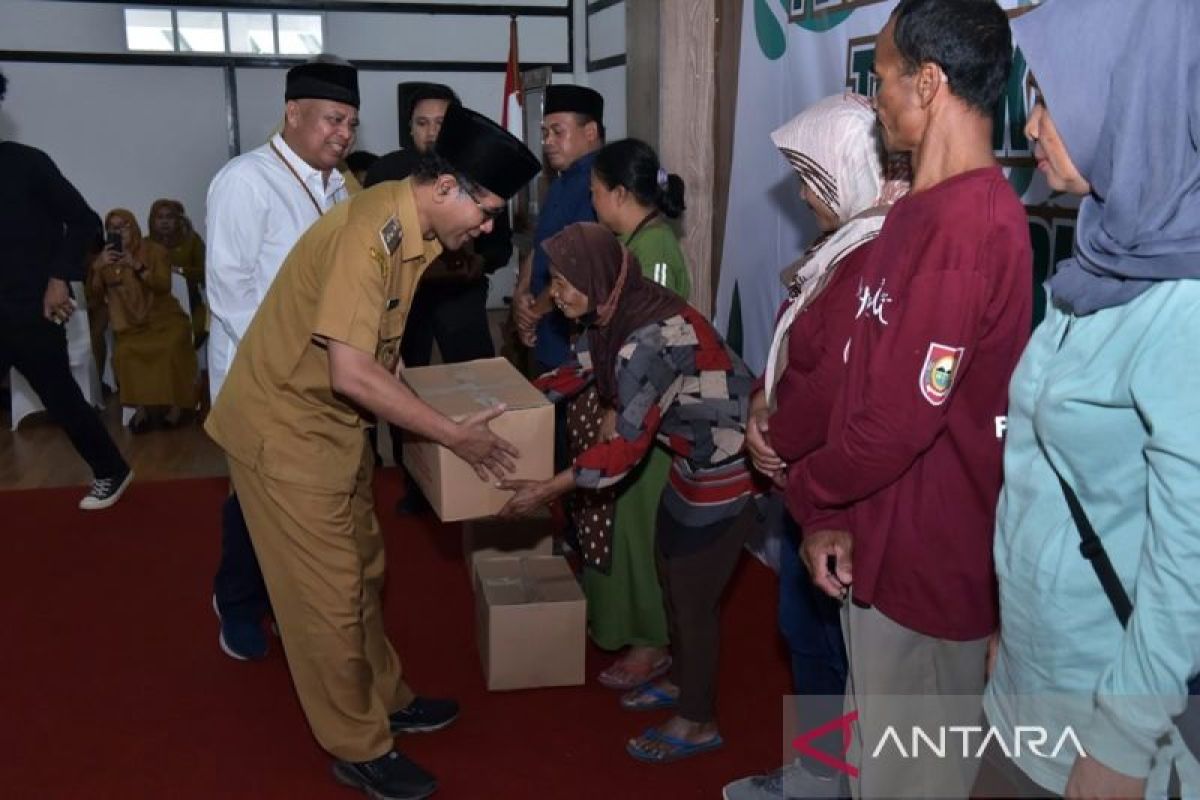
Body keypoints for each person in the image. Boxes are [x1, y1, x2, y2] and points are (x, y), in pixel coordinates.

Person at [204, 102, 541, 800]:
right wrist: (453, 437)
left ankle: (386, 696)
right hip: (285, 432)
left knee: (364, 568)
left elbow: (375, 354)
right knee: (323, 597)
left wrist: (436, 409)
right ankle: (358, 744)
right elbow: (350, 372)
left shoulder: (406, 227)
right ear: (446, 187)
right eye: (484, 213)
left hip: (333, 427)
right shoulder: (372, 235)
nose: (484, 230)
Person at [788, 2, 1032, 797]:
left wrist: (807, 489)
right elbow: (868, 386)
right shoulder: (912, 215)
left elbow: (900, 420)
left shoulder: (971, 228)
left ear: (929, 84)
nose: (875, 98)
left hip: (932, 574)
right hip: (882, 549)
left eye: (883, 78)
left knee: (911, 781)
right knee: (873, 772)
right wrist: (840, 516)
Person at [975, 2, 1200, 798]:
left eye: (1049, 101)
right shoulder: (1099, 258)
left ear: (1131, 104)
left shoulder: (1182, 307)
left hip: (1104, 727)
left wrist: (1123, 742)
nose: (1031, 126)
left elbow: (1187, 560)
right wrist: (1007, 626)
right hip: (1030, 681)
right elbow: (1041, 477)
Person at [498, 222, 759, 764]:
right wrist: (514, 399)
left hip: (727, 456)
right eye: (556, 281)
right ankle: (682, 679)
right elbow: (581, 370)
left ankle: (697, 718)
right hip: (692, 453)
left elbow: (621, 452)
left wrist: (547, 489)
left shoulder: (645, 339)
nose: (557, 294)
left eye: (567, 283)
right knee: (670, 568)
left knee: (692, 597)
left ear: (597, 279)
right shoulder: (610, 314)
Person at [723, 92, 906, 800]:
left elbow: (843, 383)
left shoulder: (877, 256)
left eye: (812, 176)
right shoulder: (843, 247)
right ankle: (820, 772)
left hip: (847, 493)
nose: (802, 194)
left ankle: (836, 778)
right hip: (809, 485)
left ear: (853, 168)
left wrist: (779, 431)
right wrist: (763, 403)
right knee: (806, 630)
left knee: (840, 646)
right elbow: (795, 351)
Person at [205, 57, 359, 661]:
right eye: (331, 119)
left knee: (300, 499)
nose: (342, 133)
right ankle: (236, 602)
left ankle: (276, 597)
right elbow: (229, 293)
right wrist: (293, 361)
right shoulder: (246, 180)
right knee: (255, 499)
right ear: (292, 114)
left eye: (350, 122)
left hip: (319, 375)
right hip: (260, 377)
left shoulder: (340, 185)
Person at [364, 83, 514, 515]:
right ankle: (418, 481)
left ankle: (486, 469)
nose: (431, 133)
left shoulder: (481, 170)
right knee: (401, 388)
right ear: (409, 129)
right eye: (422, 123)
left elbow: (498, 245)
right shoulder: (387, 174)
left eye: (441, 124)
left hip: (460, 299)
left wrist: (477, 264)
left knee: (476, 387)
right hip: (403, 304)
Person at [575, 138, 689, 690]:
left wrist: (619, 408)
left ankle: (652, 642)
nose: (593, 203)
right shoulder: (632, 244)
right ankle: (623, 625)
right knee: (614, 526)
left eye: (596, 193)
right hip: (626, 409)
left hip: (646, 419)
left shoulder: (657, 249)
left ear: (620, 193)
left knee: (639, 532)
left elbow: (657, 347)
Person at [0, 68, 132, 510]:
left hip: (32, 307)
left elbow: (84, 221)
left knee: (60, 397)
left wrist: (59, 278)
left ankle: (112, 469)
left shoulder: (26, 163)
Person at [513, 84, 604, 374]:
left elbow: (577, 266)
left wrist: (533, 314)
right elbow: (543, 244)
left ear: (590, 132)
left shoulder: (596, 185)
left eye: (557, 131)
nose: (548, 141)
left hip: (571, 343)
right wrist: (521, 290)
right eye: (544, 133)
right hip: (547, 333)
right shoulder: (560, 181)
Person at [90, 209, 196, 432]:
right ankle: (141, 410)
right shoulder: (105, 258)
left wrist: (135, 265)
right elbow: (95, 298)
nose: (118, 231)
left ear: (134, 226)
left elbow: (162, 285)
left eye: (123, 226)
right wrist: (97, 269)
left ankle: (176, 407)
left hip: (165, 318)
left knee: (169, 347)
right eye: (112, 227)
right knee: (125, 353)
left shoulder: (155, 251)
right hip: (131, 324)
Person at [147, 198, 206, 347]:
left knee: (194, 329)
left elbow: (206, 272)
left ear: (178, 220)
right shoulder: (145, 244)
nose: (165, 222)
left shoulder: (192, 240)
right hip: (155, 307)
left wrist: (179, 271)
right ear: (152, 220)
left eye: (169, 217)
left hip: (192, 305)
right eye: (160, 217)